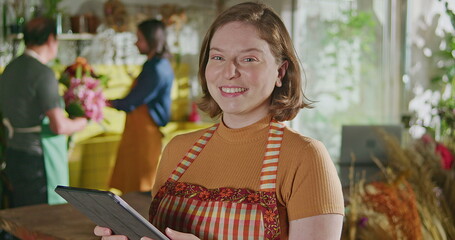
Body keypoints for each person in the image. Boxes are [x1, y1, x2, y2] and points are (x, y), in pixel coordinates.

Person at [95, 2, 344, 239]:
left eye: (249, 59)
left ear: (280, 72)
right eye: (217, 57)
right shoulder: (177, 150)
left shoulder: (305, 157)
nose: (229, 72)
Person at [0, 17, 88, 208]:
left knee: (21, 215)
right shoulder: (42, 73)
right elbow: (58, 126)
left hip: (13, 153)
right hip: (37, 158)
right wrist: (82, 122)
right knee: (43, 219)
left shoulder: (10, 68)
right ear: (51, 39)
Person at [107, 19, 174, 194]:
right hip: (139, 131)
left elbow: (133, 100)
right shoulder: (156, 65)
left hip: (144, 134)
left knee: (140, 187)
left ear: (152, 40)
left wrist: (108, 102)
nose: (136, 43)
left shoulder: (156, 68)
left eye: (140, 38)